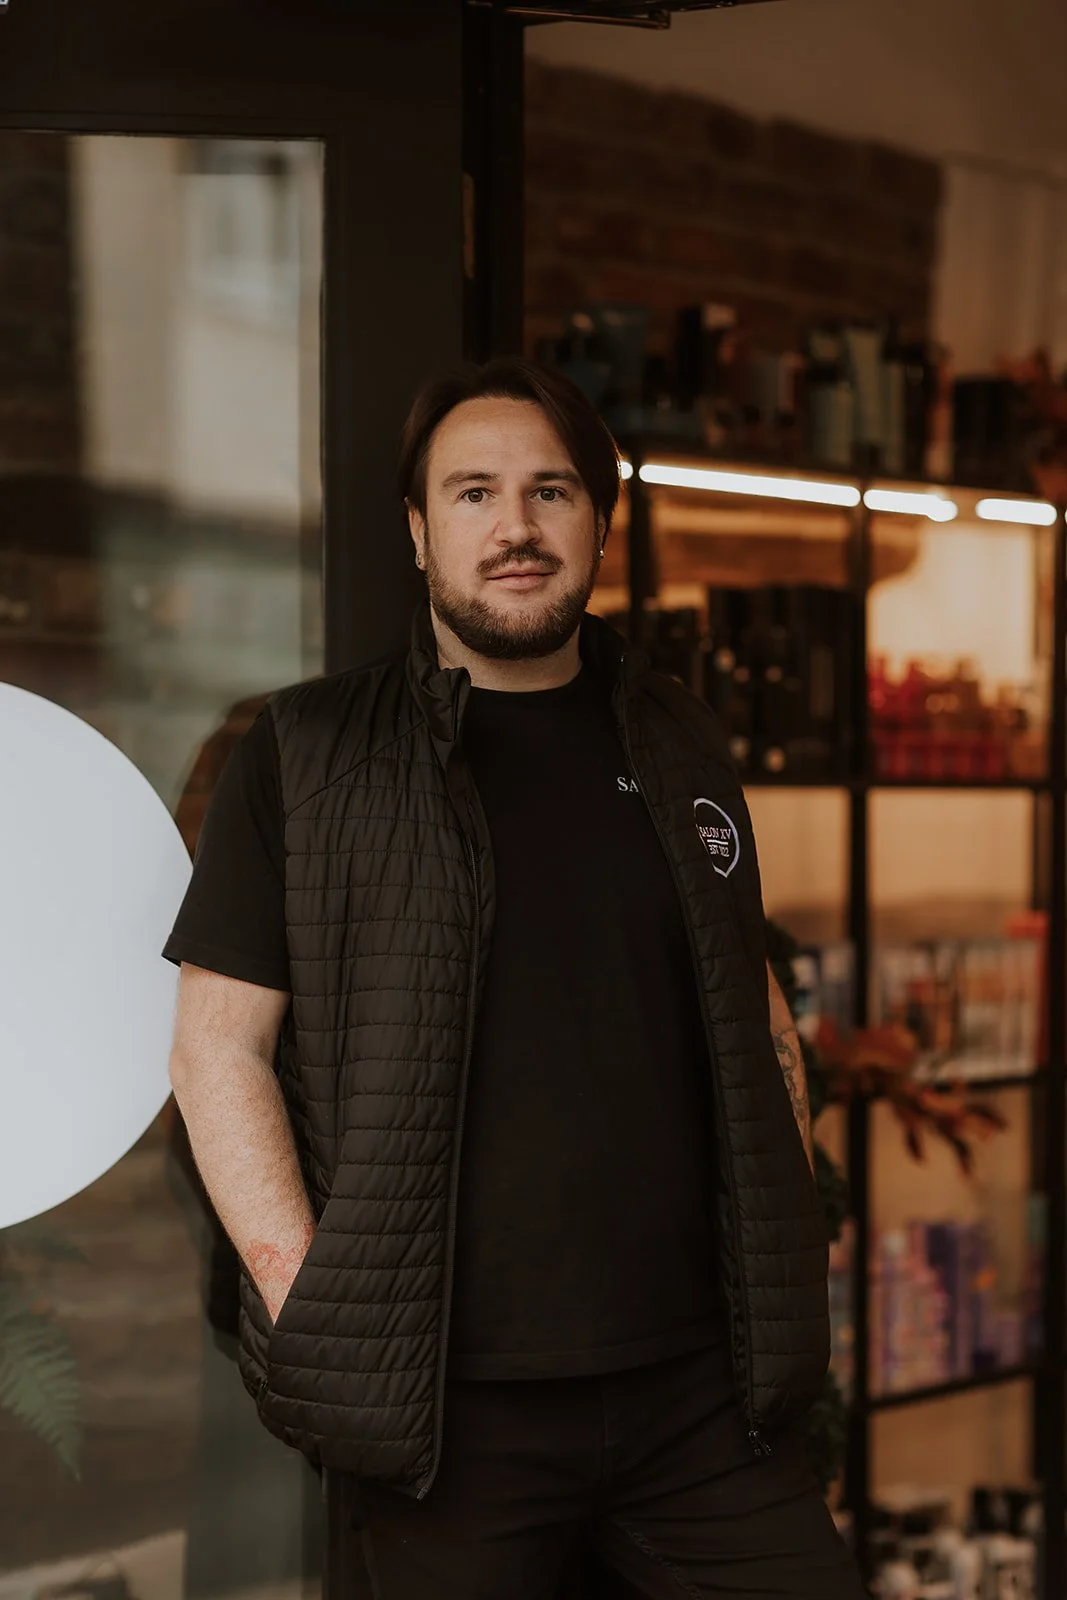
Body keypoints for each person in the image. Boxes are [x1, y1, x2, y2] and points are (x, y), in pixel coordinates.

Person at [164, 357, 865, 1599]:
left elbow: (750, 1008)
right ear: (420, 527)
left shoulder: (680, 735)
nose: (515, 527)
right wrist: (311, 1295)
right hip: (453, 1415)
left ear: (598, 522)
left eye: (550, 492)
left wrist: (788, 1227)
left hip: (698, 1390)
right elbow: (217, 1051)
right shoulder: (304, 753)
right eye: (474, 492)